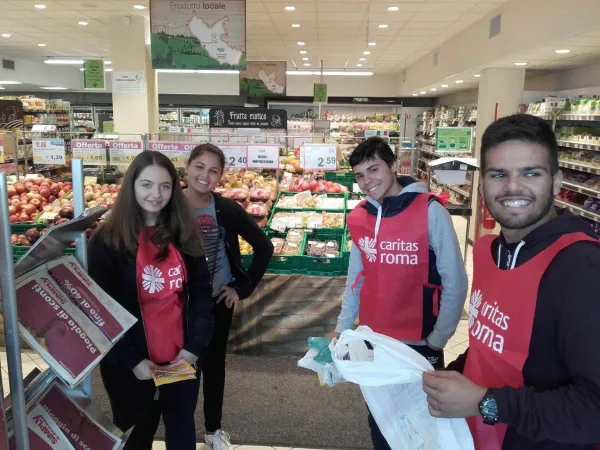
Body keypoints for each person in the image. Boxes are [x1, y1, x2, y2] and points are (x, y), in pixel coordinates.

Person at [423, 114, 600, 449]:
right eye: (498, 174)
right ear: (482, 185)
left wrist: (485, 403)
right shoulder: (491, 251)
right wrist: (451, 375)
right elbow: (492, 345)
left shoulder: (582, 271)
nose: (513, 187)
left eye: (531, 173)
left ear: (556, 181)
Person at [333, 137, 468, 450]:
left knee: (424, 423)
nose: (367, 181)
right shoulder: (360, 217)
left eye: (374, 169)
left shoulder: (430, 211)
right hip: (374, 341)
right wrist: (343, 328)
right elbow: (355, 279)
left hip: (419, 342)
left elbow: (456, 281)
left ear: (393, 165)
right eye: (359, 175)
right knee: (381, 420)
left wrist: (438, 339)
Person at [88, 151, 214, 450]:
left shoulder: (184, 233)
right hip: (131, 366)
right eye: (146, 185)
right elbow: (99, 311)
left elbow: (201, 295)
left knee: (181, 433)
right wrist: (131, 360)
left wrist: (194, 347)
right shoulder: (107, 241)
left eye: (164, 186)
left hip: (181, 360)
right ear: (131, 186)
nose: (156, 194)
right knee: (136, 435)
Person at [183, 143, 274, 450]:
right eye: (199, 167)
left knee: (214, 366)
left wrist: (241, 288)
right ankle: (181, 431)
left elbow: (264, 246)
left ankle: (213, 429)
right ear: (188, 166)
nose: (205, 175)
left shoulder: (226, 209)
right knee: (184, 367)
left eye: (213, 170)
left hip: (218, 301)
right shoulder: (170, 206)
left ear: (220, 176)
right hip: (180, 305)